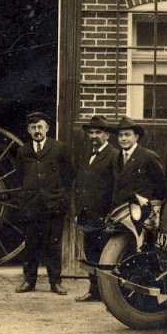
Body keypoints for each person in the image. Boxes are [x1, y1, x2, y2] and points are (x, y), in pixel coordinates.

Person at [13, 110, 75, 295]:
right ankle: (29, 281)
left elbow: (69, 174)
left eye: (40, 126)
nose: (37, 131)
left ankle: (55, 282)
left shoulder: (59, 148)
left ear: (47, 128)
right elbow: (19, 177)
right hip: (31, 205)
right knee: (31, 244)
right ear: (28, 130)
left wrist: (57, 193)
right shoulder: (22, 151)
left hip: (53, 205)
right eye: (33, 127)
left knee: (53, 244)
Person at [74, 115, 118, 302]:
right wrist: (78, 211)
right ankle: (94, 290)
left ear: (107, 134)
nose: (94, 136)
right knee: (90, 253)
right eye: (91, 132)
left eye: (98, 132)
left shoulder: (114, 155)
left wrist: (110, 214)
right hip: (87, 214)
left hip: (103, 214)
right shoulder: (87, 155)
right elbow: (81, 185)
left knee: (104, 254)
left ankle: (107, 293)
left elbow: (116, 187)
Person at [111, 116, 167, 206]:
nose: (123, 138)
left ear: (136, 137)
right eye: (120, 135)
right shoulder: (116, 158)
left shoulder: (149, 156)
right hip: (120, 212)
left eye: (127, 134)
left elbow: (161, 186)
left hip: (141, 212)